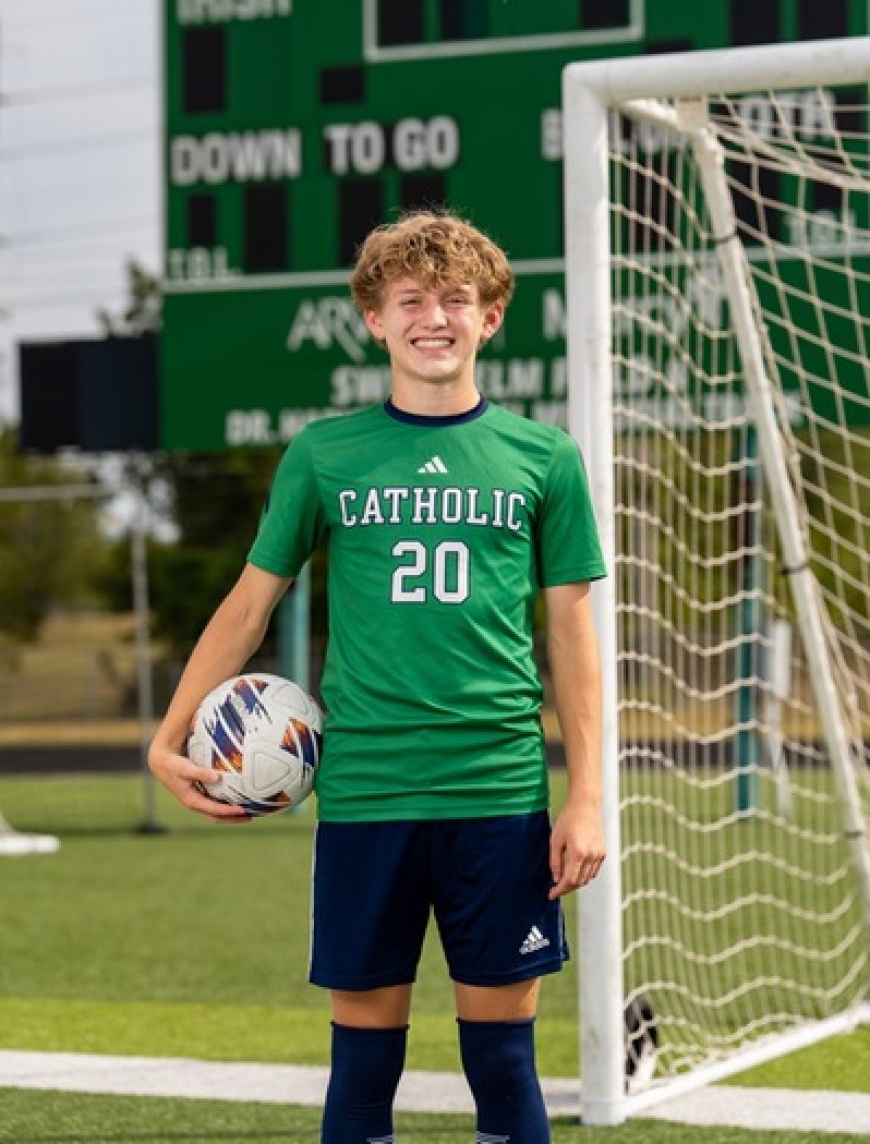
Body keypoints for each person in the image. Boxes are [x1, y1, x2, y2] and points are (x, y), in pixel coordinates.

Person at [149, 210, 607, 1144]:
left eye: (456, 300)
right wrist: (170, 734)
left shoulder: (544, 457)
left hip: (499, 791)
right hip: (367, 794)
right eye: (410, 300)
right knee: (362, 1061)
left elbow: (570, 634)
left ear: (489, 320)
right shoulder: (326, 453)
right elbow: (248, 606)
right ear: (373, 318)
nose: (432, 317)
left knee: (503, 1056)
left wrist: (589, 793)